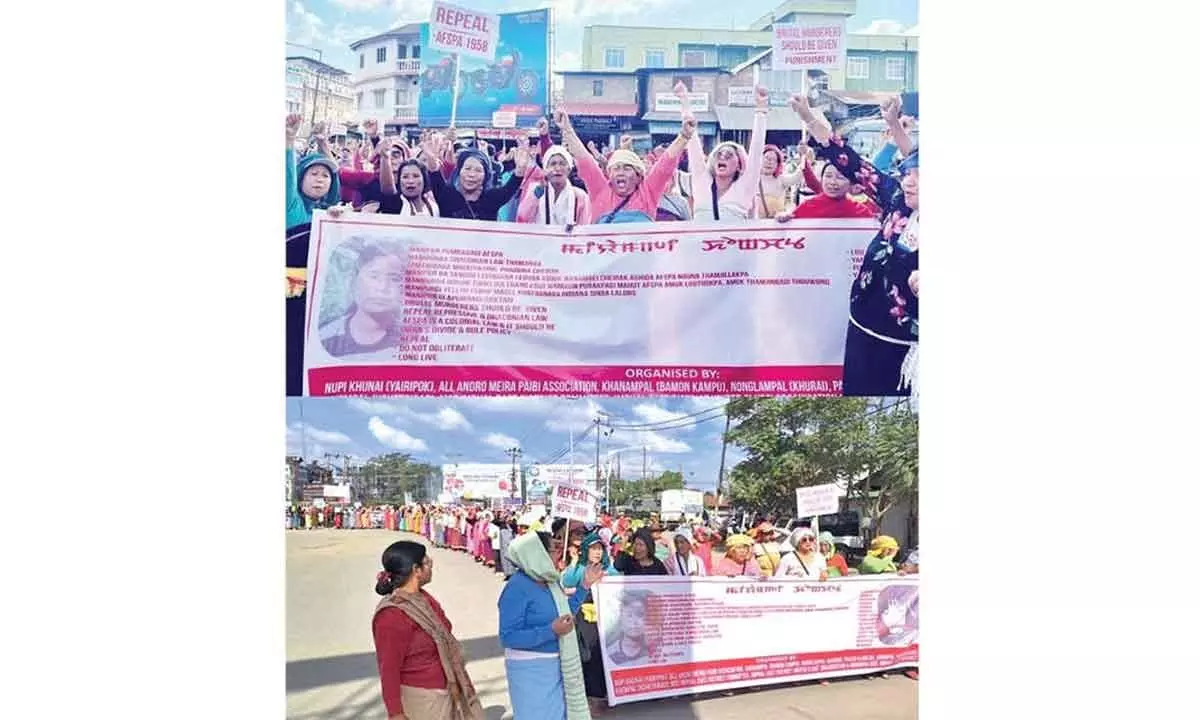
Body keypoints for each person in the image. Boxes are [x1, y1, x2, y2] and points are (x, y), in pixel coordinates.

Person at [843, 98, 919, 395]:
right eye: (907, 175)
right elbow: (855, 167)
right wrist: (811, 119)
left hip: (901, 346)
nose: (907, 182)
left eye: (915, 178)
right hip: (862, 327)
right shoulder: (898, 201)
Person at [372, 541, 485, 720]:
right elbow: (389, 668)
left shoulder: (422, 598)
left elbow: (445, 627)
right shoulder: (392, 615)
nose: (431, 565)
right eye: (426, 562)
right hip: (423, 699)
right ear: (416, 570)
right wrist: (396, 713)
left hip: (447, 688)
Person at [499, 531, 602, 720]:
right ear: (537, 554)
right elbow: (508, 637)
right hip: (529, 669)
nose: (559, 554)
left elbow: (565, 616)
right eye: (554, 549)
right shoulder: (516, 587)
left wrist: (585, 586)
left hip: (556, 663)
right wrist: (550, 631)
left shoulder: (551, 583)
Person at [555, 107, 693, 223]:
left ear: (639, 176)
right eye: (616, 168)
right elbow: (585, 160)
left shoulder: (647, 193)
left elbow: (664, 167)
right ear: (609, 175)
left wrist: (684, 137)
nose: (620, 172)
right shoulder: (601, 191)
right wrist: (567, 129)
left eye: (627, 168)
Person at [688, 86, 768, 222]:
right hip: (700, 243)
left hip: (733, 243)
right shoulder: (701, 181)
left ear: (739, 164)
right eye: (719, 154)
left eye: (729, 155)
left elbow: (756, 152)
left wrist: (761, 110)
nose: (723, 156)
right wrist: (685, 104)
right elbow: (692, 143)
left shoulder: (745, 187)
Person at [561, 532, 620, 713]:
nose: (597, 553)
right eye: (593, 549)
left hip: (606, 619)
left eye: (600, 549)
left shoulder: (608, 569)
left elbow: (622, 584)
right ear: (586, 550)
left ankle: (603, 695)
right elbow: (564, 584)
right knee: (588, 655)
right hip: (584, 619)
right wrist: (574, 567)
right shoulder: (578, 569)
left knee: (604, 655)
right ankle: (590, 698)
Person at [318, 242, 408, 358]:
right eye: (374, 276)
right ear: (354, 281)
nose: (382, 287)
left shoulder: (412, 341)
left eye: (395, 278)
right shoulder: (326, 338)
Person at [421, 136, 528, 221]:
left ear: (486, 175)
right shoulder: (447, 196)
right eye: (467, 168)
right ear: (459, 171)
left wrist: (521, 168)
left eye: (478, 170)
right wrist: (431, 159)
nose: (471, 174)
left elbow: (511, 186)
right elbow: (435, 175)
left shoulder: (492, 198)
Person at [285, 114, 342, 230]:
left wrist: (341, 218)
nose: (319, 179)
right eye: (314, 174)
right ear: (301, 179)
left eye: (325, 176)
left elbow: (336, 172)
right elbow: (288, 175)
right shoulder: (290, 203)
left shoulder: (330, 212)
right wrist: (288, 139)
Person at [516, 139, 592, 225]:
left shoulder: (580, 196)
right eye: (553, 164)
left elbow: (585, 229)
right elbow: (522, 218)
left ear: (569, 169)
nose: (558, 168)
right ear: (546, 168)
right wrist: (536, 196)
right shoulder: (535, 190)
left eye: (562, 164)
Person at [604, 590, 652, 666]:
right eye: (629, 615)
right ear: (620, 617)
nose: (635, 622)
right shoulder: (609, 653)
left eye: (640, 615)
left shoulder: (653, 652)